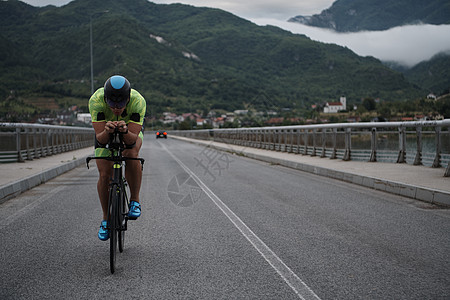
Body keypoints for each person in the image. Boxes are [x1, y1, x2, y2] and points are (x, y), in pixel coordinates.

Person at [89, 75, 146, 241]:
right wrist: (107, 131)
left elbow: (131, 140)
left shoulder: (138, 101)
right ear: (105, 98)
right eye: (111, 103)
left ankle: (135, 200)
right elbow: (100, 139)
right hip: (104, 130)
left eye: (120, 103)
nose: (116, 108)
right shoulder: (96, 100)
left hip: (129, 130)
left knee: (131, 154)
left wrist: (125, 131)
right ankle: (106, 219)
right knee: (105, 174)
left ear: (128, 99)